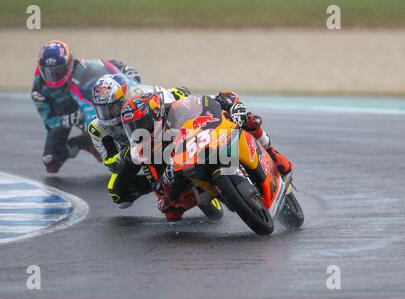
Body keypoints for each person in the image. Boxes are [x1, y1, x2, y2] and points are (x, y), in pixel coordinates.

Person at [121, 91, 293, 220]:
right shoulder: (145, 152)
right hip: (188, 173)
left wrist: (233, 107)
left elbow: (211, 100)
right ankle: (217, 192)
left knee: (250, 121)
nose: (138, 130)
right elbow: (158, 189)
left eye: (141, 124)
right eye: (132, 127)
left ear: (156, 114)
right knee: (170, 211)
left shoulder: (177, 109)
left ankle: (272, 153)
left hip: (210, 138)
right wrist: (168, 178)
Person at [31, 39, 140, 173]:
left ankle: (95, 141)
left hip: (86, 108)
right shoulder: (38, 90)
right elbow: (48, 121)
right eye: (48, 72)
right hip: (62, 117)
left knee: (105, 133)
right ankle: (81, 142)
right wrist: (67, 120)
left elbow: (107, 66)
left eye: (58, 71)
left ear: (69, 64)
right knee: (51, 162)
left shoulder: (82, 67)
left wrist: (127, 72)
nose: (53, 77)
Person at [88, 73, 190, 209]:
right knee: (118, 194)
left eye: (112, 108)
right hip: (130, 153)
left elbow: (167, 95)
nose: (107, 114)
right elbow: (110, 163)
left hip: (157, 133)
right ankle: (153, 186)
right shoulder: (97, 128)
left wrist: (179, 95)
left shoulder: (139, 94)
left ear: (123, 99)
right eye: (101, 109)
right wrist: (123, 155)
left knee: (182, 101)